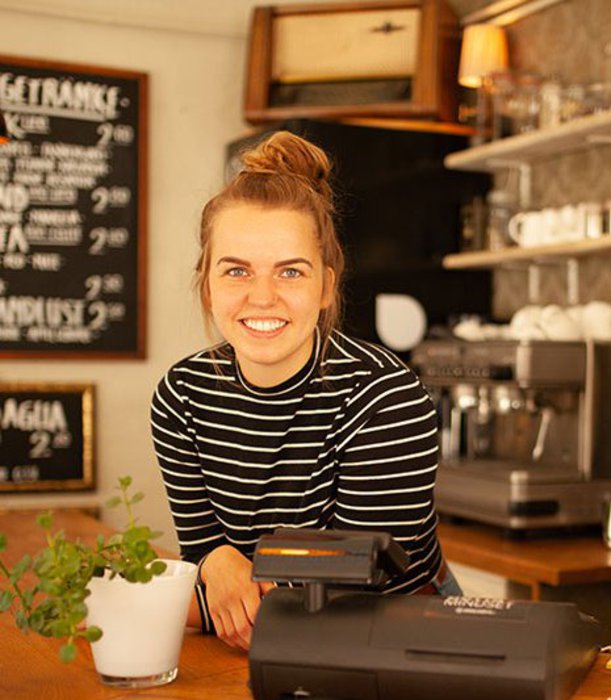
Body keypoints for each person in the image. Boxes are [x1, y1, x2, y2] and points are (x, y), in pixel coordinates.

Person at [151, 130, 460, 651]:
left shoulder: (385, 398)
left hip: (401, 635)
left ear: (325, 287)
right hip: (259, 640)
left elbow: (350, 588)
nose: (263, 297)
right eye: (237, 271)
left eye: (290, 271)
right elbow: (204, 548)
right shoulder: (182, 396)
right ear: (207, 285)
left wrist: (177, 596)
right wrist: (215, 560)